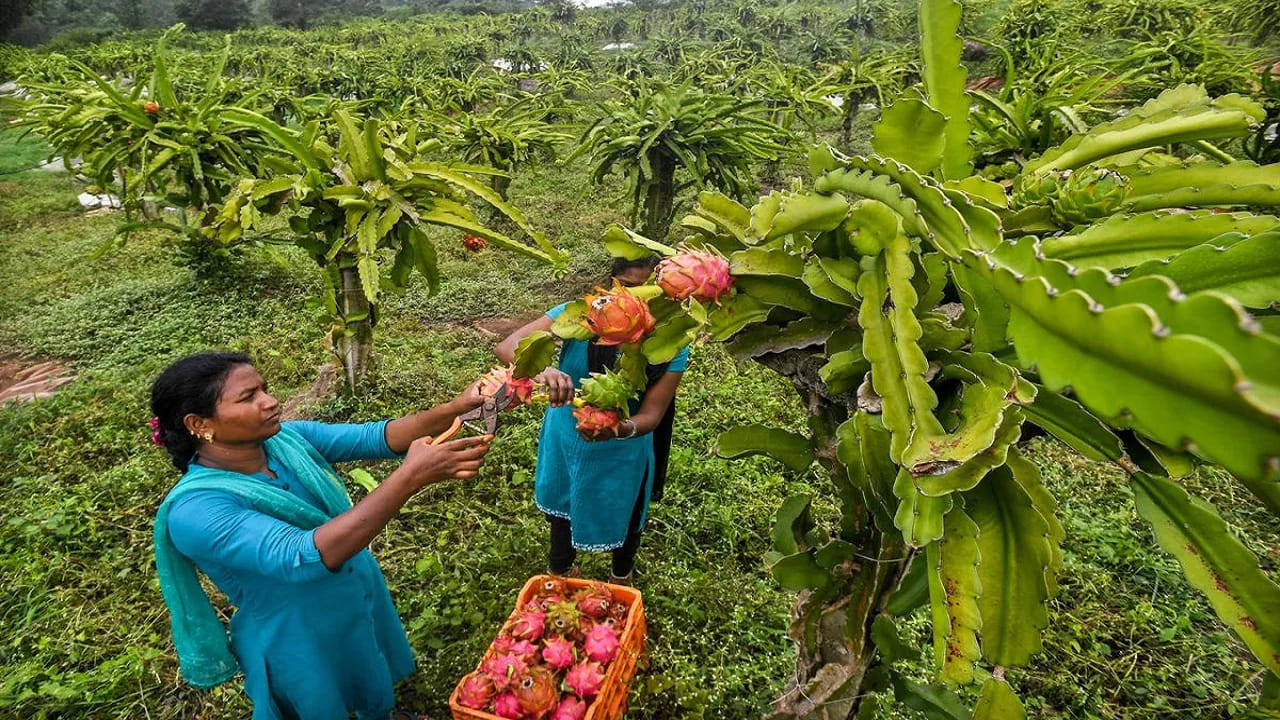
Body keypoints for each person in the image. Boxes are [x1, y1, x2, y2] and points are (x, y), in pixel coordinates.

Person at [150, 351, 492, 720]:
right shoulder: (196, 511)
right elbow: (301, 556)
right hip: (295, 634)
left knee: (365, 673)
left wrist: (457, 408)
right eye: (248, 397)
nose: (270, 401)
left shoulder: (286, 442)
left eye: (264, 389)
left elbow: (377, 436)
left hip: (348, 594)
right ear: (199, 424)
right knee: (316, 702)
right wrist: (409, 477)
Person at [494, 257, 688, 584]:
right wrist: (541, 370)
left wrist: (620, 428)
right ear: (612, 285)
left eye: (650, 292)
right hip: (566, 435)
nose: (638, 300)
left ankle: (621, 576)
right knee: (564, 501)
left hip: (625, 447)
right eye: (628, 287)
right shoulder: (579, 315)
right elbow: (507, 346)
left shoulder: (672, 340)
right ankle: (561, 570)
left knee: (626, 510)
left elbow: (652, 414)